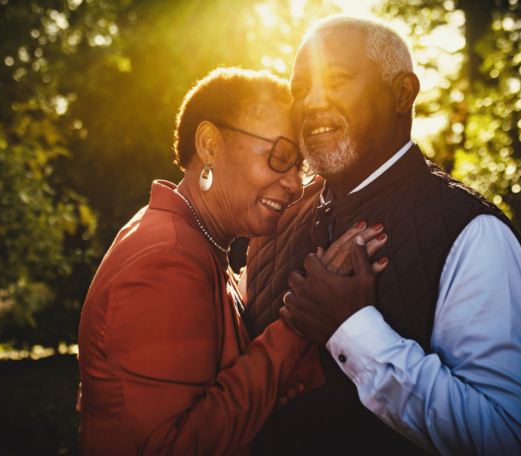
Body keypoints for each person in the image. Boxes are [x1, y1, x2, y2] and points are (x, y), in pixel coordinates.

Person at [243, 14, 521, 455]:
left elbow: (510, 440)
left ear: (403, 93)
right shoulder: (277, 215)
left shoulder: (474, 234)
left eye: (338, 79)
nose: (311, 102)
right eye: (301, 88)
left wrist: (351, 329)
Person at [76, 67, 389, 455]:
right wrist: (302, 324)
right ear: (209, 143)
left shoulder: (193, 239)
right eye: (280, 156)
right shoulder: (166, 258)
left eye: (300, 167)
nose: (294, 184)